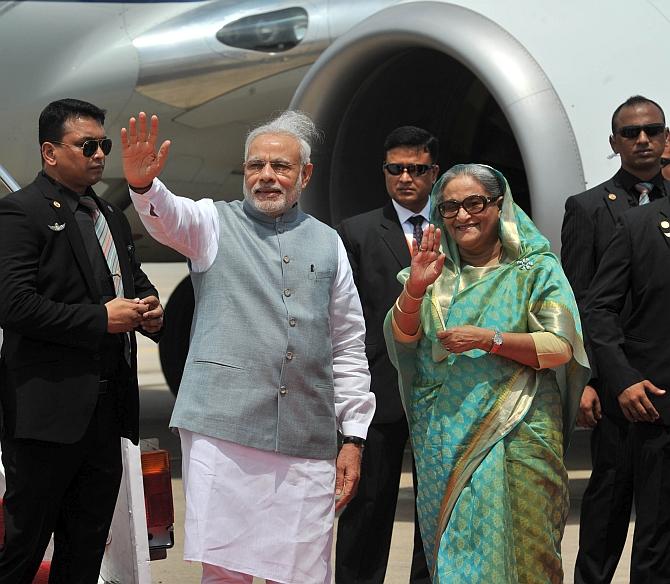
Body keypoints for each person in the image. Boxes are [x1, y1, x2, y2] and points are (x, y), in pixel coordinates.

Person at [121, 110, 375, 584]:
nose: (266, 177)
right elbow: (170, 217)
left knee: (303, 569)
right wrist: (144, 188)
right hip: (224, 430)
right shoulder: (212, 224)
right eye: (256, 166)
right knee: (225, 572)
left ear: (305, 174)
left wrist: (354, 435)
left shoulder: (329, 243)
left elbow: (347, 342)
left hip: (305, 436)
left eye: (280, 167)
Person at [384, 163, 589, 583]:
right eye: (450, 208)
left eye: (474, 203)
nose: (463, 216)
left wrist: (491, 340)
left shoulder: (535, 270)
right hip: (445, 439)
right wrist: (416, 288)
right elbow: (403, 341)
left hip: (521, 432)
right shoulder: (433, 275)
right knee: (458, 558)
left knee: (529, 556)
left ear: (500, 206)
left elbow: (560, 347)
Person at [0, 98, 163, 584]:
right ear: (50, 153)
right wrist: (99, 320)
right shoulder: (19, 213)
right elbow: (14, 306)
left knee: (87, 543)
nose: (98, 154)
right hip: (46, 415)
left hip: (106, 411)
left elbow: (131, 281)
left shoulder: (109, 213)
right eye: (86, 144)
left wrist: (151, 309)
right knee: (25, 544)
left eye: (103, 145)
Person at [561, 95, 670, 584]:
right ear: (614, 143)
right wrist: (585, 381)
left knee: (659, 520)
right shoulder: (588, 208)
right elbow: (580, 303)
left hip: (662, 380)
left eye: (652, 130)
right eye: (631, 133)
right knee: (606, 508)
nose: (643, 140)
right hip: (613, 384)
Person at [335, 126, 434, 584]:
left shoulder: (455, 227)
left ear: (434, 173)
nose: (406, 178)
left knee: (437, 503)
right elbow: (345, 316)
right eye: (396, 169)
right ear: (385, 173)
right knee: (370, 504)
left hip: (442, 384)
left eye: (416, 169)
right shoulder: (356, 231)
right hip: (379, 384)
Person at [585, 176, 670, 582]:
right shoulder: (640, 225)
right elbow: (599, 310)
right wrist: (621, 379)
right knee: (657, 539)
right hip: (659, 407)